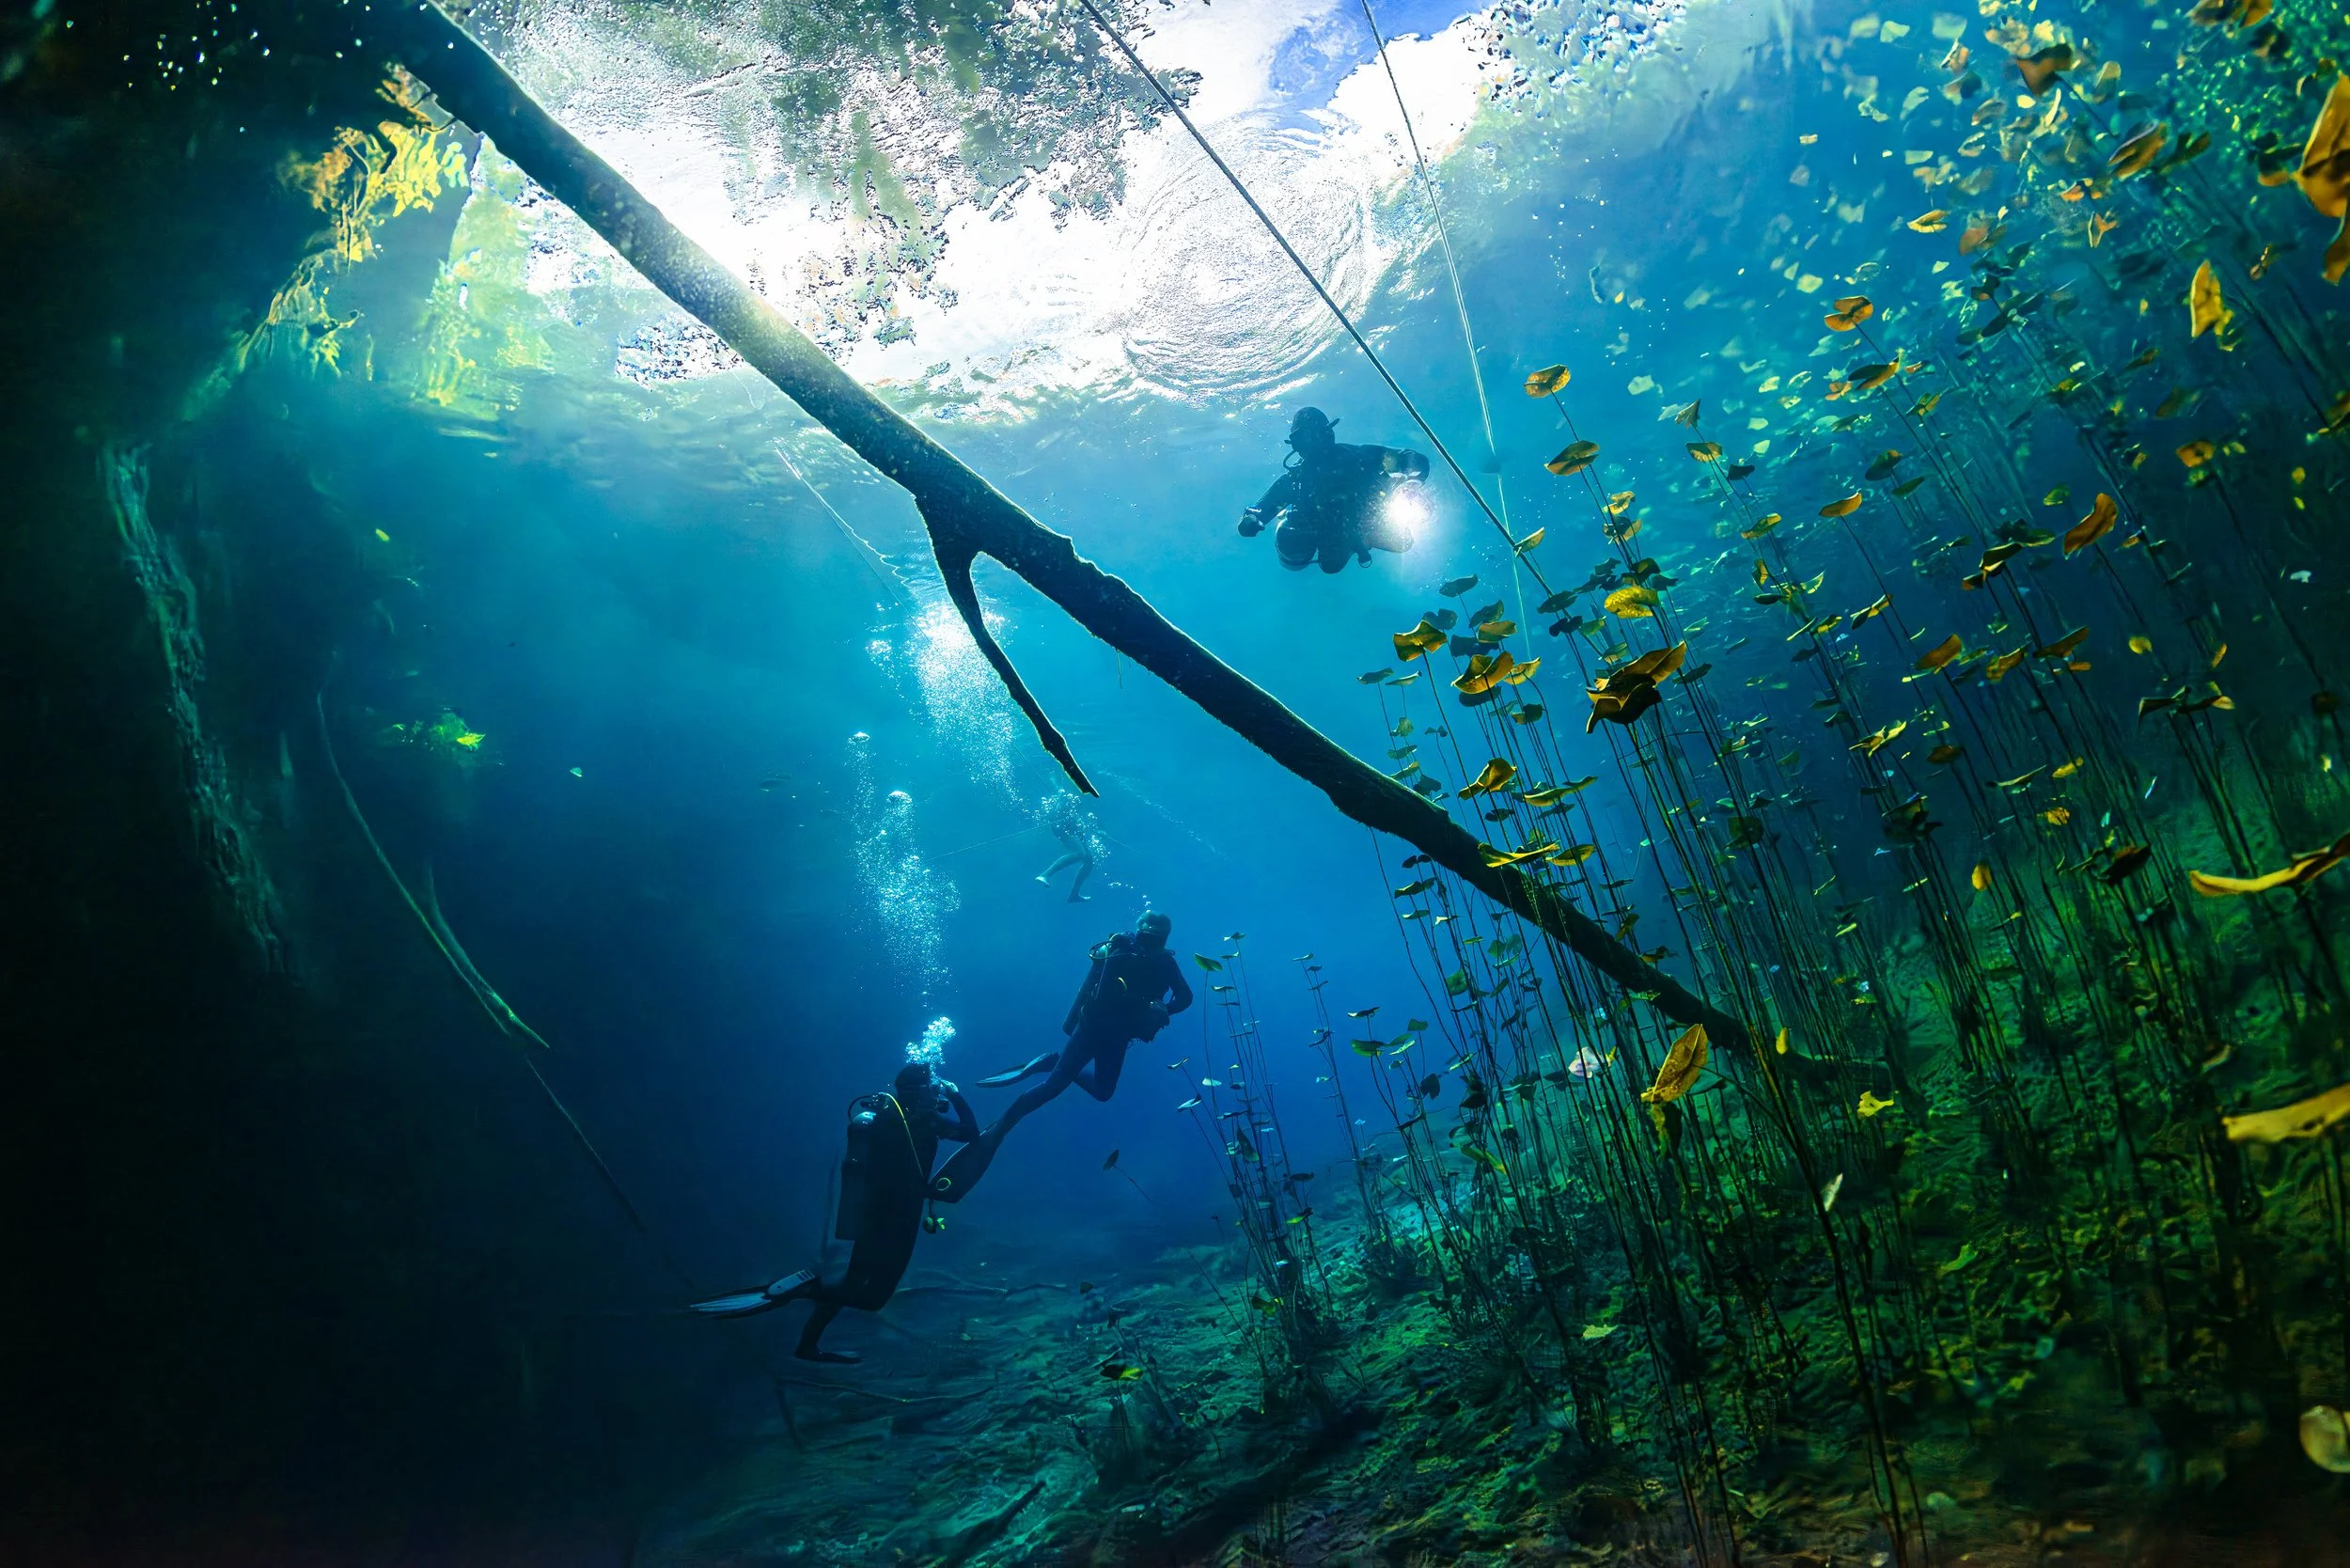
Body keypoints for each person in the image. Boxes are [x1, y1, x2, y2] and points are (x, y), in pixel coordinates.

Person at [688, 1059, 976, 1363]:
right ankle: (805, 1289)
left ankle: (807, 1344)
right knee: (874, 1299)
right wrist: (955, 1095)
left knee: (851, 1282)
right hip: (899, 1219)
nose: (936, 1093)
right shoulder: (926, 1121)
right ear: (918, 1093)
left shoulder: (884, 1116)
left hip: (870, 1214)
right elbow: (971, 1132)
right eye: (931, 1088)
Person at [929, 912, 1194, 1201]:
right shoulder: (1120, 951)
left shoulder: (1165, 961)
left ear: (1164, 939)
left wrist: (1165, 1008)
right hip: (1091, 1029)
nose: (1150, 943)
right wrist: (1147, 1006)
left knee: (1104, 1093)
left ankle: (1051, 1062)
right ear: (1140, 934)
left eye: (1156, 939)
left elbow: (1186, 996)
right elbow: (1105, 995)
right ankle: (1003, 1126)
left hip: (1118, 1038)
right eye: (1147, 937)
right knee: (1053, 1088)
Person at [1237, 407, 1431, 573]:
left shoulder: (1359, 457)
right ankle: (1357, 536)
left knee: (1403, 542)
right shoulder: (1296, 480)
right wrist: (1251, 520)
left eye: (1314, 436)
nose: (1312, 445)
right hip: (1342, 534)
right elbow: (1259, 511)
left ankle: (1371, 522)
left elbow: (1415, 460)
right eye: (1304, 439)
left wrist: (1410, 485)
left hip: (1367, 521)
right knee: (1328, 563)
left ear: (1327, 434)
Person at [1034, 789, 1099, 902]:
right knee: (1080, 853)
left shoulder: (1077, 805)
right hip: (1064, 827)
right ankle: (1045, 875)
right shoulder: (1066, 799)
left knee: (1089, 861)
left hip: (1071, 828)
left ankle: (1074, 894)